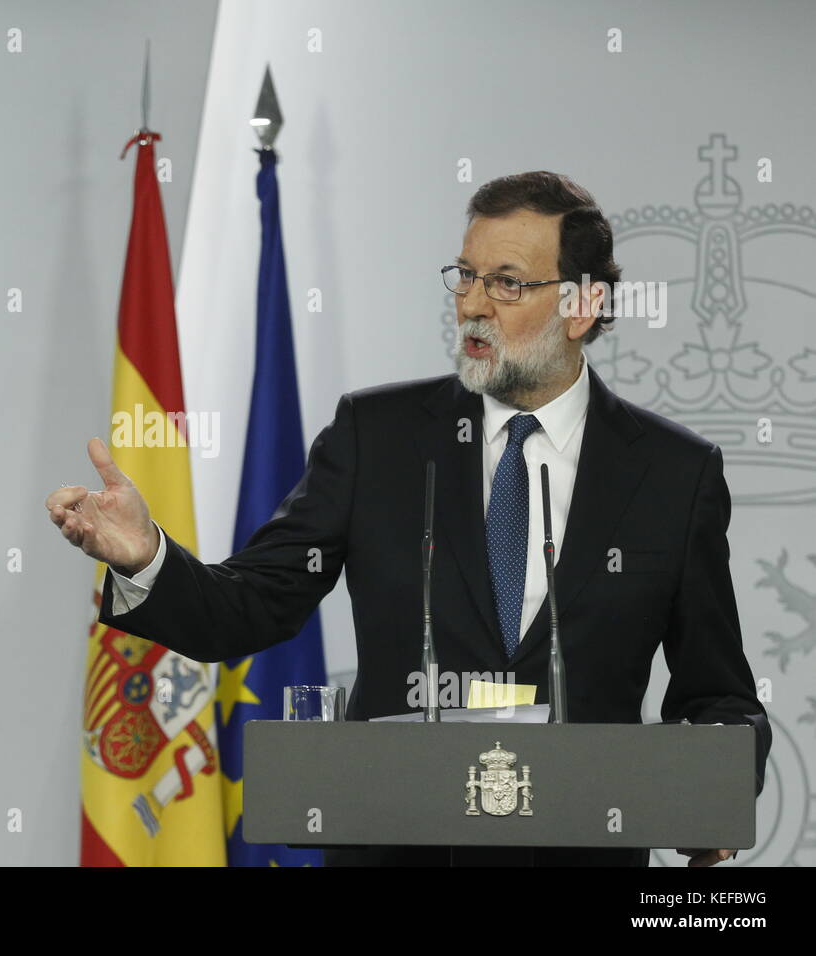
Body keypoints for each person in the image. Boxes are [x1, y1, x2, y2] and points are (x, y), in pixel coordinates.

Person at [46, 171, 770, 867]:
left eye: (508, 283)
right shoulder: (378, 437)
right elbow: (250, 606)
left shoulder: (675, 474)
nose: (473, 305)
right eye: (466, 276)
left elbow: (720, 693)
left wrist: (715, 792)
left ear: (582, 307)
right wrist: (146, 559)